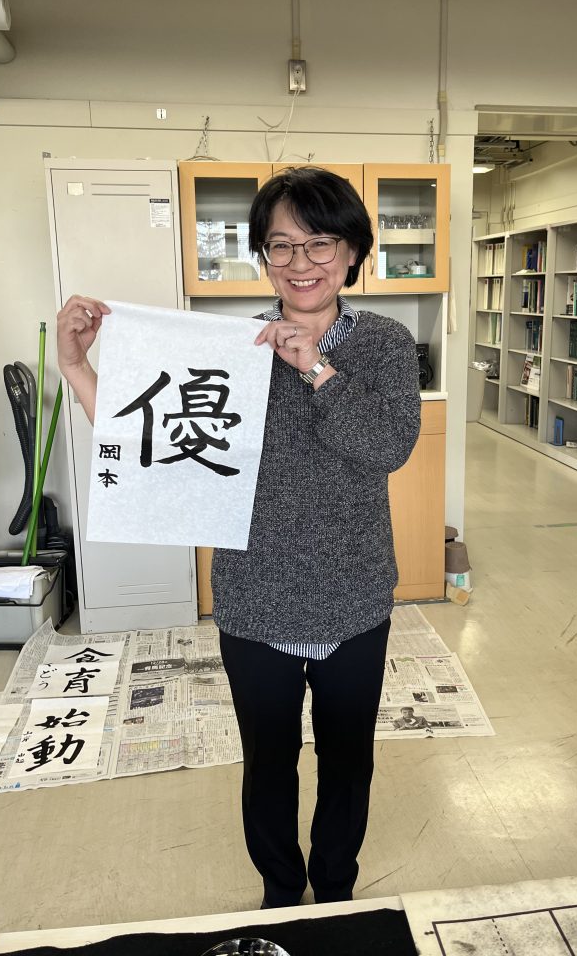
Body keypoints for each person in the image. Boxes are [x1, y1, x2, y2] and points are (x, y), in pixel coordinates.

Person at [56, 165, 421, 910]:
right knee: (268, 762)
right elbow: (149, 443)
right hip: (255, 599)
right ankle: (282, 894)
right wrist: (75, 364)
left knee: (348, 761)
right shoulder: (233, 345)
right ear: (262, 255)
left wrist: (315, 368)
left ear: (353, 251)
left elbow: (387, 447)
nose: (300, 263)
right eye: (281, 245)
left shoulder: (384, 343)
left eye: (320, 243)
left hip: (354, 598)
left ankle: (336, 893)